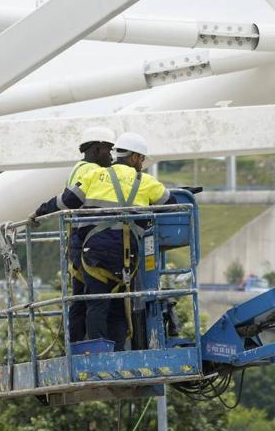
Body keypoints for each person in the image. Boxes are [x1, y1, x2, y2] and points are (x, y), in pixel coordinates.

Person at [36, 131, 176, 351]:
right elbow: (173, 205)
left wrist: (39, 212)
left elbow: (64, 202)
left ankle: (97, 354)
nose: (142, 164)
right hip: (126, 256)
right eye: (142, 159)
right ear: (135, 157)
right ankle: (118, 352)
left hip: (95, 252)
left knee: (97, 303)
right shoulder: (147, 181)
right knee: (120, 306)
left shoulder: (94, 176)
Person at [31, 126, 115, 342]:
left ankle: (76, 346)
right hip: (87, 242)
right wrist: (42, 209)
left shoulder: (79, 169)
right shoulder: (90, 171)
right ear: (96, 149)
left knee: (80, 298)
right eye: (108, 150)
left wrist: (41, 210)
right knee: (94, 299)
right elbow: (67, 200)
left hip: (80, 242)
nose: (112, 156)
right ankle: (92, 348)